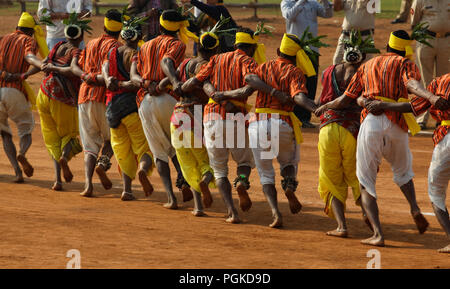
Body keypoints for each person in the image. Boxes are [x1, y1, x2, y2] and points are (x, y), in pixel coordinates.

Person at [330, 30, 441, 247]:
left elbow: (346, 98)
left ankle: (378, 235)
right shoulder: (405, 63)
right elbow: (412, 85)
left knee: (366, 181)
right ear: (404, 49)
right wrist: (430, 96)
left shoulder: (367, 65)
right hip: (396, 123)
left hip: (371, 122)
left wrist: (325, 106)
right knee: (403, 172)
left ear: (388, 46)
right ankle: (414, 208)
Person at [182, 27, 260, 224]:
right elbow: (248, 89)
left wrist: (185, 87)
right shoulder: (248, 61)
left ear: (235, 45)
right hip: (236, 115)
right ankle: (241, 182)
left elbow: (199, 81)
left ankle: (232, 212)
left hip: (211, 117)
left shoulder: (216, 59)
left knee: (219, 170)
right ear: (251, 48)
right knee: (243, 162)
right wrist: (227, 96)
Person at [363, 73, 449, 252]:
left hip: (446, 139)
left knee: (436, 192)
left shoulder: (441, 82)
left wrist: (383, 105)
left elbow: (413, 106)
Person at [244, 33, 317, 228]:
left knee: (266, 173)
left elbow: (249, 78)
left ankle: (276, 213)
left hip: (258, 124)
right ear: (297, 55)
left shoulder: (264, 66)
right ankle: (289, 185)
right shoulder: (295, 72)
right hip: (282, 124)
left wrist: (270, 90)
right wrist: (317, 108)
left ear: (278, 51)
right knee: (288, 163)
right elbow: (299, 98)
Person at [314, 31, 379, 237]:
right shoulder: (363, 73)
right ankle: (367, 214)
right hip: (351, 131)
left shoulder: (328, 71)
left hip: (327, 129)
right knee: (359, 176)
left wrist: (319, 108)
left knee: (331, 178)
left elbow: (319, 101)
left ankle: (341, 227)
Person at [130, 9, 197, 210]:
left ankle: (170, 198)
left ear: (159, 26)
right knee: (179, 146)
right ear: (177, 29)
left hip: (145, 101)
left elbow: (134, 76)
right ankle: (186, 183)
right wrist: (164, 83)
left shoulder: (144, 46)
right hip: (168, 98)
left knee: (159, 152)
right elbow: (168, 65)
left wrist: (146, 84)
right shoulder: (177, 44)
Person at [161, 31, 220, 216]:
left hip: (178, 113)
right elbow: (208, 87)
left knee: (187, 162)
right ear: (215, 48)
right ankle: (207, 178)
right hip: (197, 113)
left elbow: (165, 83)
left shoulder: (186, 63)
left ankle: (198, 207)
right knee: (204, 159)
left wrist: (162, 86)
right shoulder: (207, 66)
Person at [71, 9, 123, 197]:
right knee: (111, 139)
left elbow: (80, 68)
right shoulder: (117, 47)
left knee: (89, 145)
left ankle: (88, 185)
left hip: (85, 96)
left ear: (105, 26)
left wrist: (87, 76)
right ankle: (103, 163)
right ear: (121, 28)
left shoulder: (91, 43)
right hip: (105, 97)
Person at [102, 16, 154, 201]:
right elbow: (134, 81)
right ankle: (142, 170)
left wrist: (109, 80)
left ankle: (127, 190)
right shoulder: (136, 54)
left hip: (111, 108)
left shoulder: (112, 52)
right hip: (131, 106)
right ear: (138, 36)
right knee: (143, 148)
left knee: (122, 151)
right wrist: (125, 84)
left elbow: (105, 67)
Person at [36, 13, 86, 191]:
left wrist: (51, 68)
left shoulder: (57, 45)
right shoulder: (77, 51)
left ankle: (57, 180)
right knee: (69, 136)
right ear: (80, 37)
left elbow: (43, 64)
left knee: (52, 139)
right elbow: (72, 70)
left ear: (67, 35)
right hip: (62, 99)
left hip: (43, 93)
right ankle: (65, 158)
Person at [0, 12, 46, 183]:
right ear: (31, 31)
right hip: (15, 92)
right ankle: (22, 153)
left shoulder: (3, 38)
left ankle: (17, 171)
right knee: (25, 130)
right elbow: (30, 58)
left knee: (5, 134)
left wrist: (4, 73)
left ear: (17, 27)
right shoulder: (29, 41)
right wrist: (33, 70)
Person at [280, 0, 333, 128]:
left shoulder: (313, 3)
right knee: (296, 82)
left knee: (311, 82)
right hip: (295, 50)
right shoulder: (286, 2)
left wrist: (326, 2)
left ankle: (304, 118)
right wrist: (300, 2)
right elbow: (289, 16)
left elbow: (328, 14)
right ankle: (293, 116)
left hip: (312, 49)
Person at [411, 0, 450, 129]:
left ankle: (442, 116)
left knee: (445, 81)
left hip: (447, 41)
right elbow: (414, 22)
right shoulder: (420, 1)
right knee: (424, 80)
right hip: (426, 40)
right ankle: (422, 118)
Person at [332, 0, 375, 65]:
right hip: (346, 35)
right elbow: (336, 9)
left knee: (366, 64)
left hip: (365, 37)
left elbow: (373, 10)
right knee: (337, 62)